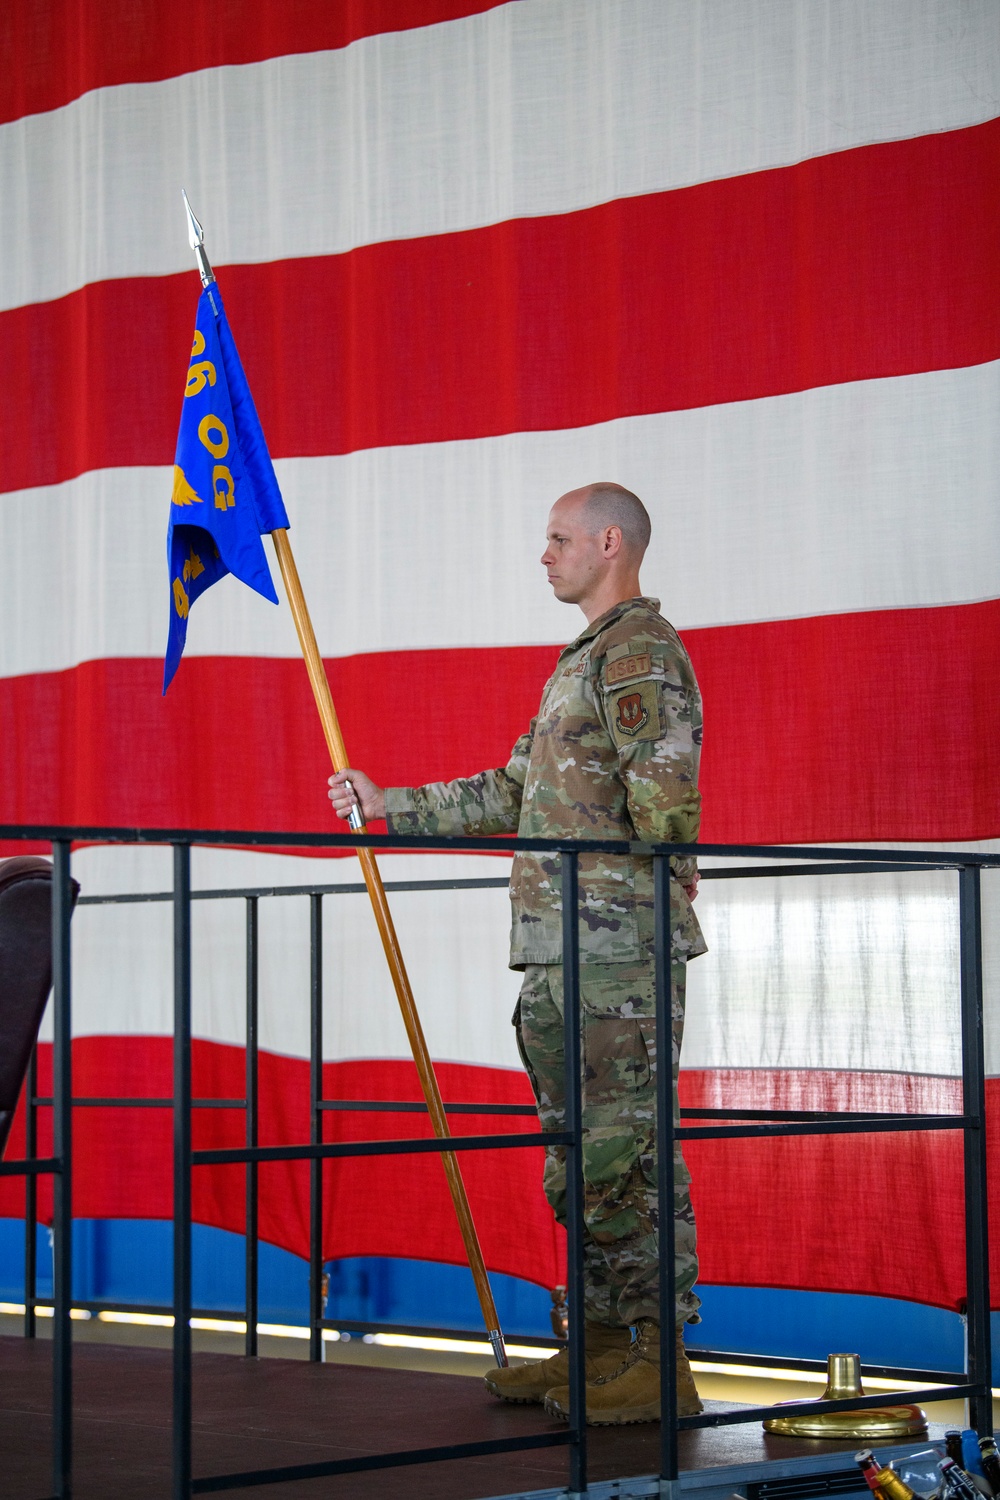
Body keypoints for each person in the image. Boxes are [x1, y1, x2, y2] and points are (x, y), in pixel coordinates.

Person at [329, 481, 706, 1425]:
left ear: (609, 542)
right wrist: (392, 804)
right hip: (561, 950)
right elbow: (516, 791)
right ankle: (603, 1351)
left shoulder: (637, 652)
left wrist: (669, 875)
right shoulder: (581, 661)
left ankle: (662, 1363)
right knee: (579, 1157)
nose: (545, 555)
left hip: (616, 951)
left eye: (558, 538)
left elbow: (665, 794)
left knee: (627, 1155)